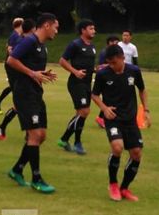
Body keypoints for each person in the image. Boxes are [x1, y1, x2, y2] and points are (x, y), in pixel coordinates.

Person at [6, 13, 59, 194]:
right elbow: (11, 60)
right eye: (55, 27)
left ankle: (17, 169)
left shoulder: (42, 46)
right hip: (24, 94)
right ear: (46, 25)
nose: (56, 31)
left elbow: (33, 67)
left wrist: (42, 73)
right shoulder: (29, 41)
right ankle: (37, 179)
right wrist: (32, 73)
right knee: (35, 135)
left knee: (41, 136)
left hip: (36, 94)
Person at [92, 43, 151, 201]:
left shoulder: (134, 71)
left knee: (136, 153)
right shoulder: (103, 74)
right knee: (117, 147)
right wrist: (104, 108)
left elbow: (142, 89)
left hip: (130, 119)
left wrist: (146, 110)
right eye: (109, 63)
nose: (111, 66)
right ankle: (113, 184)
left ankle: (124, 188)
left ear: (122, 58)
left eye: (114, 62)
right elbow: (95, 95)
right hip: (113, 118)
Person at [57, 19, 97, 155]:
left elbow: (88, 65)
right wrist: (75, 72)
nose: (94, 31)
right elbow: (62, 61)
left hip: (87, 83)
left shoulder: (92, 46)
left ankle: (64, 139)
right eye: (91, 28)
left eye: (94, 28)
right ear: (83, 30)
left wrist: (96, 69)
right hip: (76, 83)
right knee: (84, 112)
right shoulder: (75, 44)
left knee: (81, 114)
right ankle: (77, 143)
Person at [0, 18, 34, 140]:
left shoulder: (30, 41)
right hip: (18, 76)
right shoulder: (19, 39)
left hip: (27, 77)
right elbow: (11, 56)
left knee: (26, 104)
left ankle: (5, 127)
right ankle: (4, 126)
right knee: (22, 104)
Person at [0, 17, 24, 115]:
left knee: (14, 86)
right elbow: (9, 49)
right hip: (10, 65)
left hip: (15, 64)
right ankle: (17, 107)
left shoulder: (19, 36)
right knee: (15, 86)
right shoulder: (14, 35)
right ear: (20, 25)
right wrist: (15, 56)